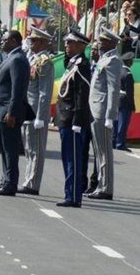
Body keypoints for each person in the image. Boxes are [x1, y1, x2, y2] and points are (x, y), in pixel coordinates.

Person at [0, 30, 34, 196]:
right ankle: (4, 181)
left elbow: (17, 89)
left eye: (4, 40)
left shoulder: (18, 59)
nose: (1, 42)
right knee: (4, 148)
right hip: (1, 111)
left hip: (8, 112)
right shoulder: (12, 57)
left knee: (10, 150)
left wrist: (12, 112)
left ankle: (10, 184)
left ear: (13, 41)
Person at [54, 30, 92, 208]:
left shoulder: (82, 65)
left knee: (73, 160)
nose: (66, 46)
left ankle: (74, 196)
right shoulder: (72, 63)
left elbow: (81, 96)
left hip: (73, 120)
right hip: (65, 117)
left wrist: (77, 121)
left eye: (69, 43)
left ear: (80, 45)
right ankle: (70, 193)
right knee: (67, 158)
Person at [86, 27, 122, 201]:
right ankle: (101, 185)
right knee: (99, 152)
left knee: (104, 151)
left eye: (102, 40)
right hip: (95, 110)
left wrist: (110, 116)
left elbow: (113, 89)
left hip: (102, 112)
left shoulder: (113, 60)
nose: (99, 43)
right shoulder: (103, 59)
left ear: (111, 43)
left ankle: (106, 188)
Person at [18, 27, 54, 196]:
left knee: (36, 150)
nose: (30, 42)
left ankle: (33, 183)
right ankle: (28, 179)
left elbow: (44, 92)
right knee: (28, 149)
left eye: (33, 40)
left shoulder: (44, 61)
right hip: (27, 109)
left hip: (36, 112)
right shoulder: (31, 58)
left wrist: (40, 116)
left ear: (41, 43)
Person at [82, 42, 100, 194]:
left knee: (97, 152)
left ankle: (95, 183)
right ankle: (81, 182)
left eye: (96, 49)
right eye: (92, 49)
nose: (93, 52)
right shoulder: (87, 67)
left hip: (97, 115)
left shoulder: (105, 67)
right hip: (84, 115)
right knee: (82, 150)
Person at [113, 52, 135, 152]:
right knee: (123, 123)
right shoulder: (128, 74)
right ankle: (120, 143)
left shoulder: (119, 71)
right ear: (129, 61)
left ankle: (114, 141)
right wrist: (132, 105)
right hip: (125, 101)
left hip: (118, 99)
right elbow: (130, 92)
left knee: (117, 122)